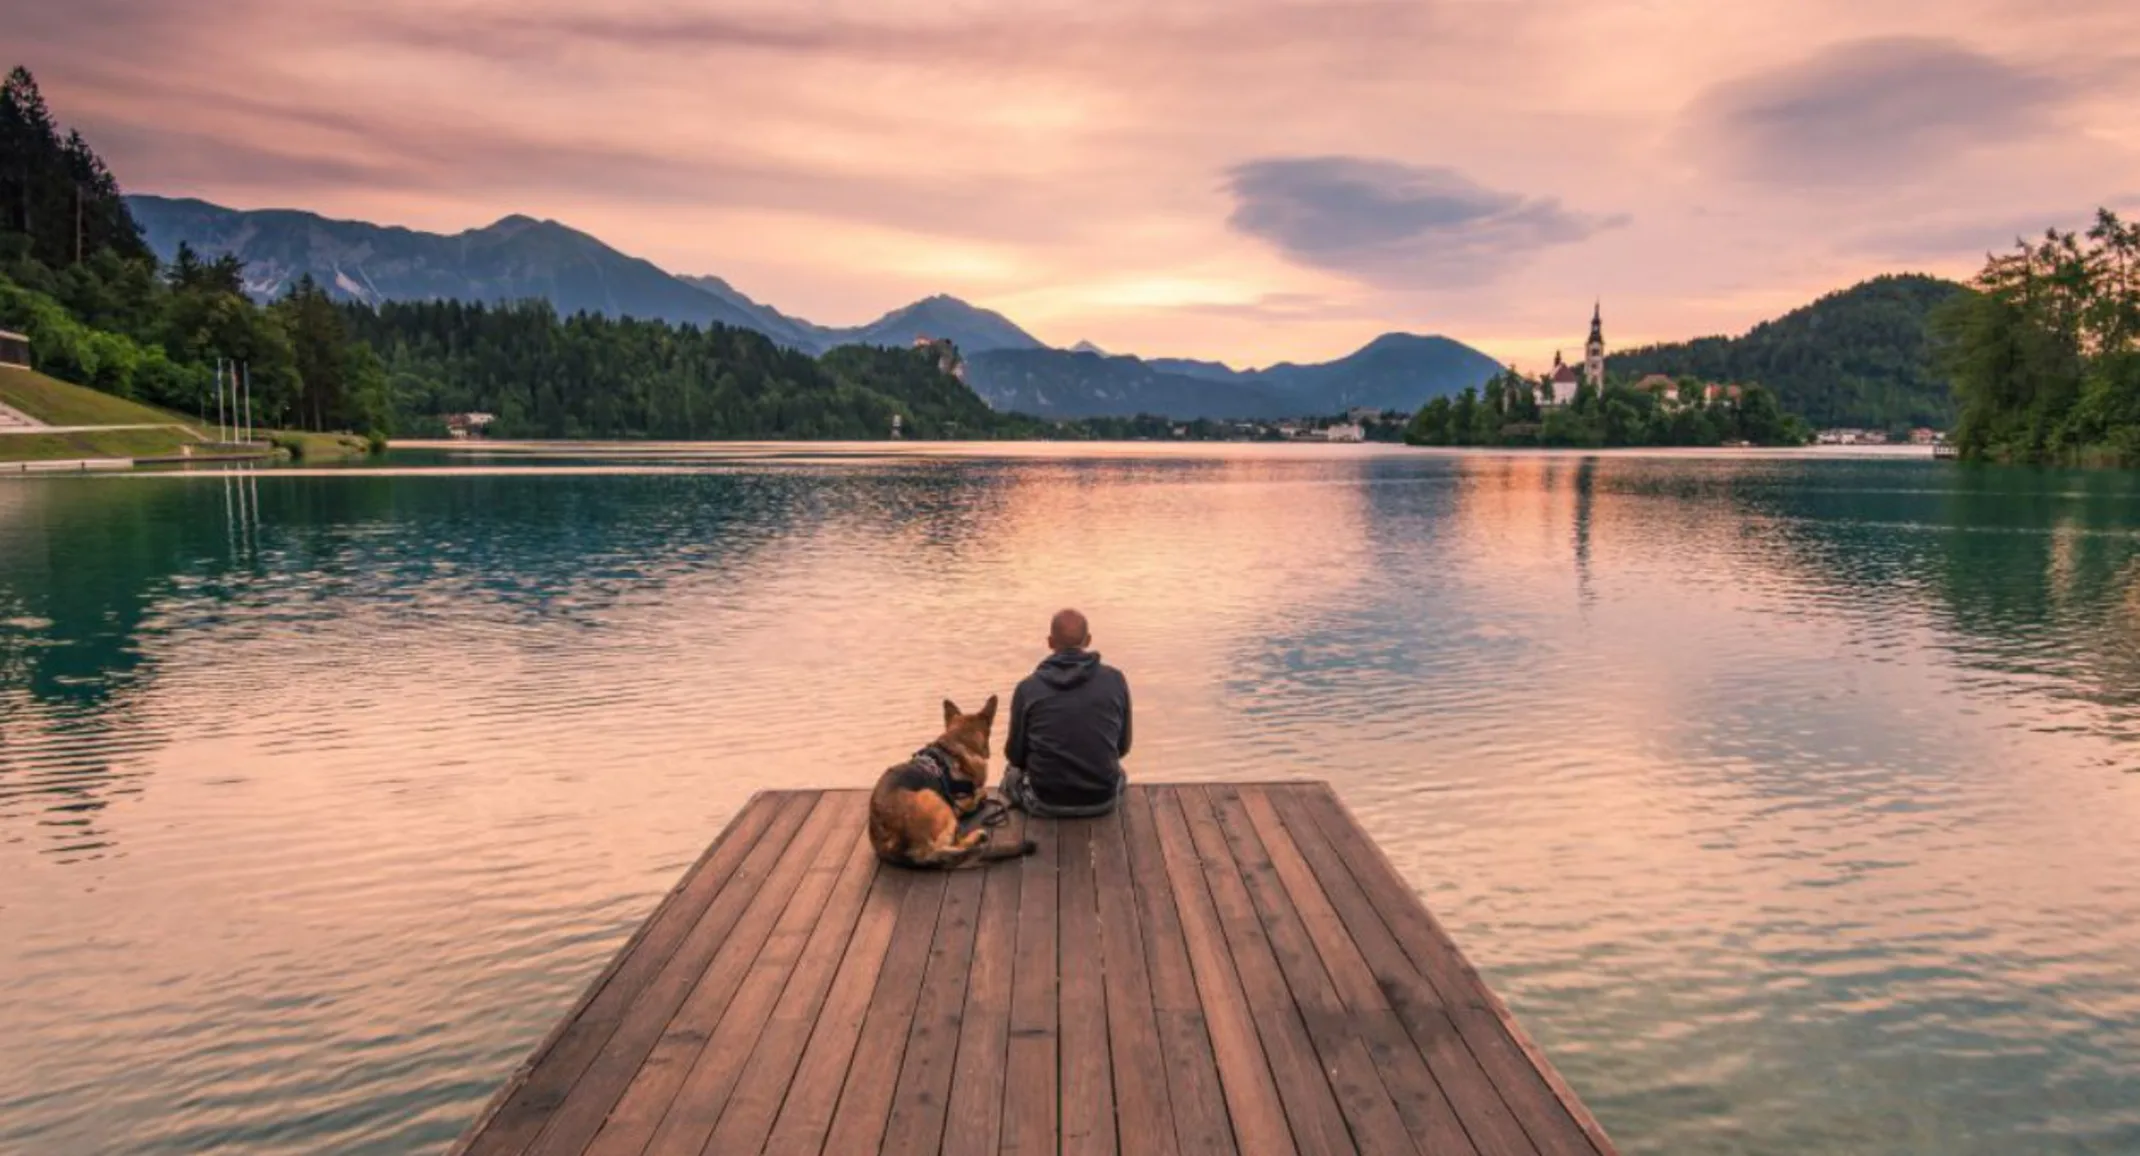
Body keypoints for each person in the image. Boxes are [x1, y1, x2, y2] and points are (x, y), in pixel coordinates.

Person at [1001, 609, 1132, 818]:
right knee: (1120, 773)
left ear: (1050, 642)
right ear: (1088, 640)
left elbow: (1015, 756)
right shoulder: (1115, 680)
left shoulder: (1027, 688)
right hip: (1103, 800)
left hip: (1045, 802)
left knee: (1010, 774)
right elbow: (1122, 747)